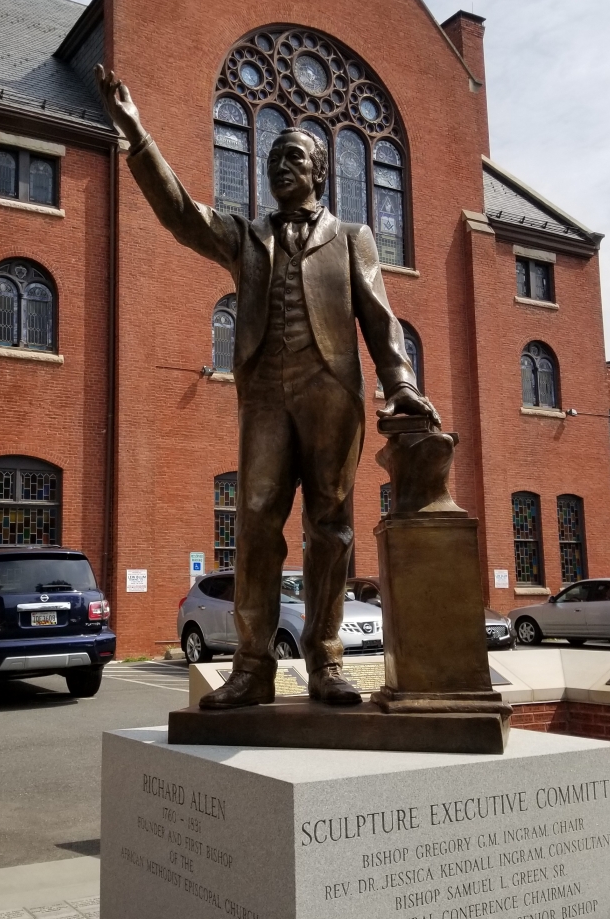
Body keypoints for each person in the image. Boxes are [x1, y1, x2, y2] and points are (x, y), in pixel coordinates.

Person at [96, 66, 440, 709]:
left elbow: (379, 318)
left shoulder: (353, 239)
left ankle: (326, 661)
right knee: (256, 520)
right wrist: (137, 135)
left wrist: (399, 382)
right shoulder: (246, 238)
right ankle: (252, 667)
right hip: (264, 396)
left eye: (294, 158)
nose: (280, 167)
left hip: (330, 390)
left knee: (331, 525)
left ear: (319, 173)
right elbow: (180, 214)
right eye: (274, 159)